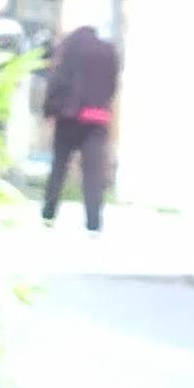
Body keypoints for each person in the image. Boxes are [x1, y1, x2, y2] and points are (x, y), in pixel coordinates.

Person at [40, 14, 120, 230]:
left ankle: (49, 213)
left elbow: (57, 80)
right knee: (93, 172)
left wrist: (49, 110)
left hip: (69, 116)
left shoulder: (69, 48)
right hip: (96, 117)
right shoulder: (108, 51)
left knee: (59, 166)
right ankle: (93, 222)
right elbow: (113, 84)